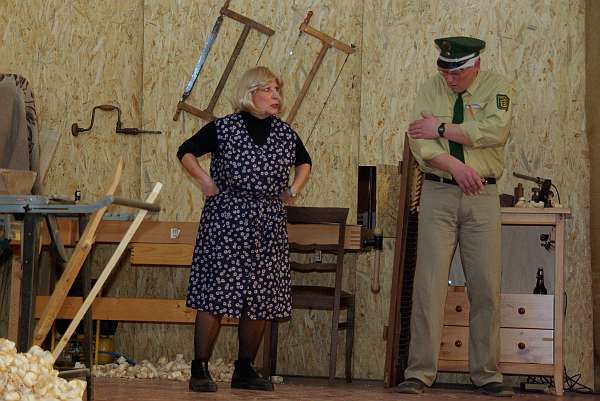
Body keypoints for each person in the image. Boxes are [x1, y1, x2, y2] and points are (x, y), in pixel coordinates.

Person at [177, 66, 312, 392]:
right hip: (227, 221)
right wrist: (205, 181)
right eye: (268, 89)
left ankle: (245, 369)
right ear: (250, 93)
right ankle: (200, 368)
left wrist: (293, 190)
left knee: (261, 295)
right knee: (216, 293)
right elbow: (186, 151)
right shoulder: (224, 128)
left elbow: (305, 162)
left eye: (277, 90)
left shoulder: (285, 133)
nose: (276, 96)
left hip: (268, 224)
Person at [396, 36, 513, 397]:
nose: (449, 78)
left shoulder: (497, 88)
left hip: (483, 195)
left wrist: (442, 129)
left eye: (457, 72)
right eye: (444, 71)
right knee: (428, 285)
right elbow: (421, 143)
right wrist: (456, 167)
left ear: (475, 65)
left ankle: (487, 374)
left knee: (486, 286)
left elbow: (494, 131)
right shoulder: (429, 89)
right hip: (439, 191)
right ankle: (419, 372)